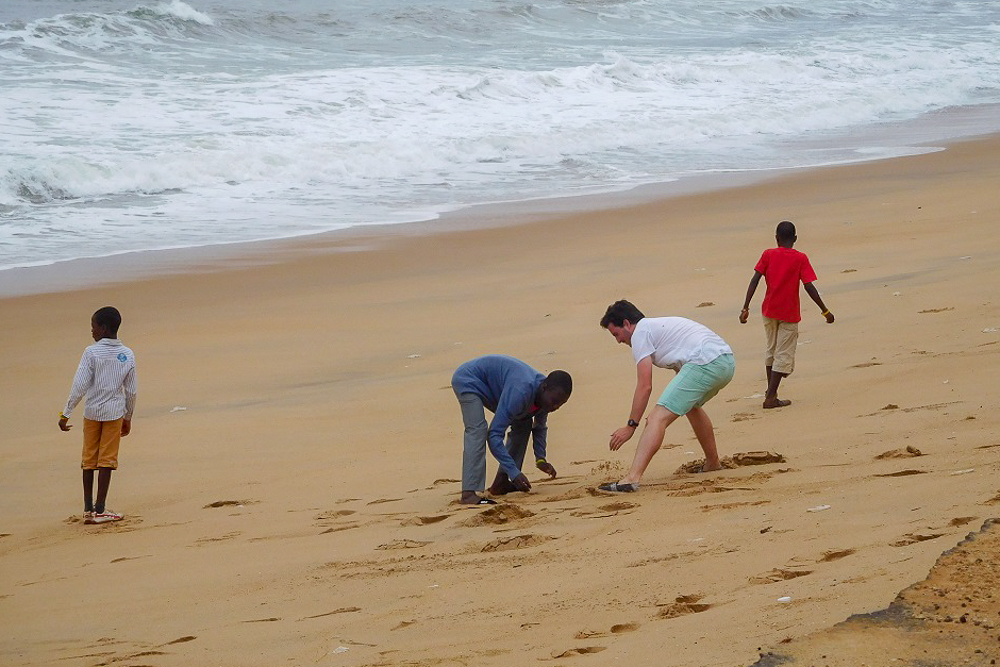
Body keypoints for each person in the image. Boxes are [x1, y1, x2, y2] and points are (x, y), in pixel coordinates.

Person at [599, 300, 735, 492]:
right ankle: (712, 462)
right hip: (725, 362)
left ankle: (632, 478)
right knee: (691, 406)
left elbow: (645, 386)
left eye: (616, 334)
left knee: (656, 418)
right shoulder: (657, 328)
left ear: (627, 324)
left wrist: (631, 425)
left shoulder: (640, 333)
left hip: (706, 361)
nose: (618, 341)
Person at [451, 355, 572, 505]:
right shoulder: (520, 392)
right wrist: (514, 472)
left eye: (560, 404)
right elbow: (494, 435)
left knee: (524, 423)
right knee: (478, 430)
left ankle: (500, 483)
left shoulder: (545, 398)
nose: (555, 407)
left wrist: (541, 459)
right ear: (544, 387)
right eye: (554, 402)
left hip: (497, 388)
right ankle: (469, 493)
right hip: (469, 380)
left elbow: (539, 427)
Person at [739, 220, 834, 409]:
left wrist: (746, 307)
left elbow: (755, 280)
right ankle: (771, 397)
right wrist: (825, 311)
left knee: (771, 350)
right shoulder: (800, 258)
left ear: (776, 238)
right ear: (796, 239)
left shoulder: (768, 254)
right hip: (788, 313)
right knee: (783, 354)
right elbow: (809, 286)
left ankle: (770, 391)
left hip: (769, 310)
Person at [59, 306, 137, 524]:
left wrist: (65, 413)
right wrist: (128, 417)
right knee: (107, 460)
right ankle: (100, 509)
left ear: (103, 328)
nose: (91, 331)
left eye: (93, 327)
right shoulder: (128, 354)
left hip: (92, 412)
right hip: (114, 414)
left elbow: (79, 384)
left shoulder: (91, 352)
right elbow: (131, 391)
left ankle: (88, 509)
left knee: (89, 458)